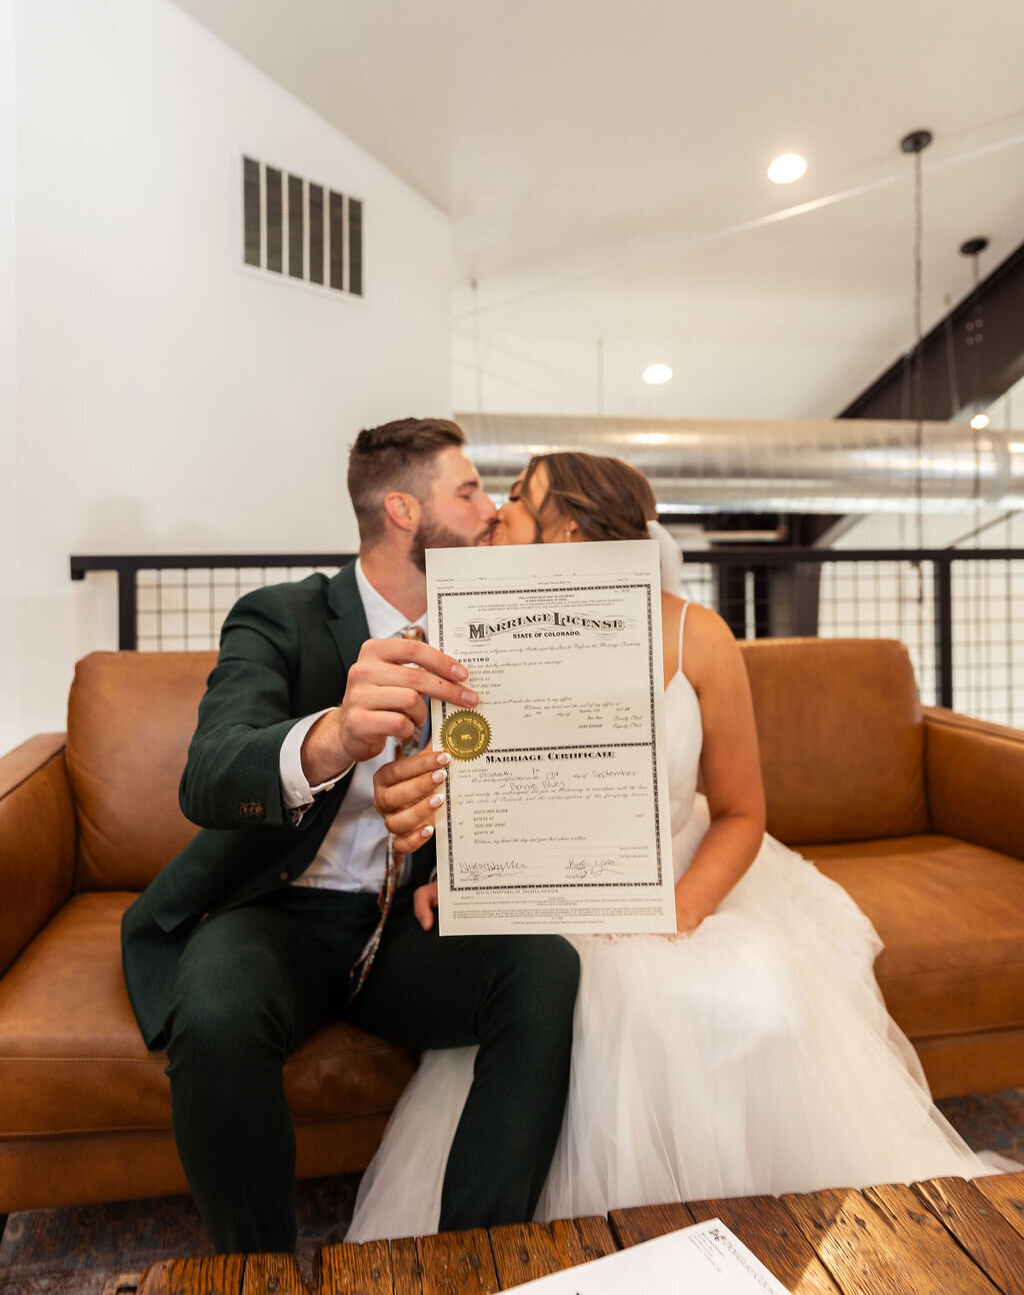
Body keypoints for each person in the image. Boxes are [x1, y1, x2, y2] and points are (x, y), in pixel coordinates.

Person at [351, 449, 993, 1238]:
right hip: (551, 890)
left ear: (570, 530)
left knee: (737, 1000)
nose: (495, 513)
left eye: (517, 498)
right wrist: (471, 876)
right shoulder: (484, 631)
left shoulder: (699, 635)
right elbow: (497, 787)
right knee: (542, 1004)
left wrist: (679, 911)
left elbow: (740, 812)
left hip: (679, 874)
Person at [121, 417, 580, 1254]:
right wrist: (334, 735)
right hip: (278, 913)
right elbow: (211, 772)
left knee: (545, 964)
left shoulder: (490, 627)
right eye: (471, 491)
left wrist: (463, 857)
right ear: (404, 511)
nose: (490, 512)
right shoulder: (281, 617)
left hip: (408, 923)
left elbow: (525, 779)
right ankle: (255, 1273)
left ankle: (474, 1263)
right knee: (216, 1010)